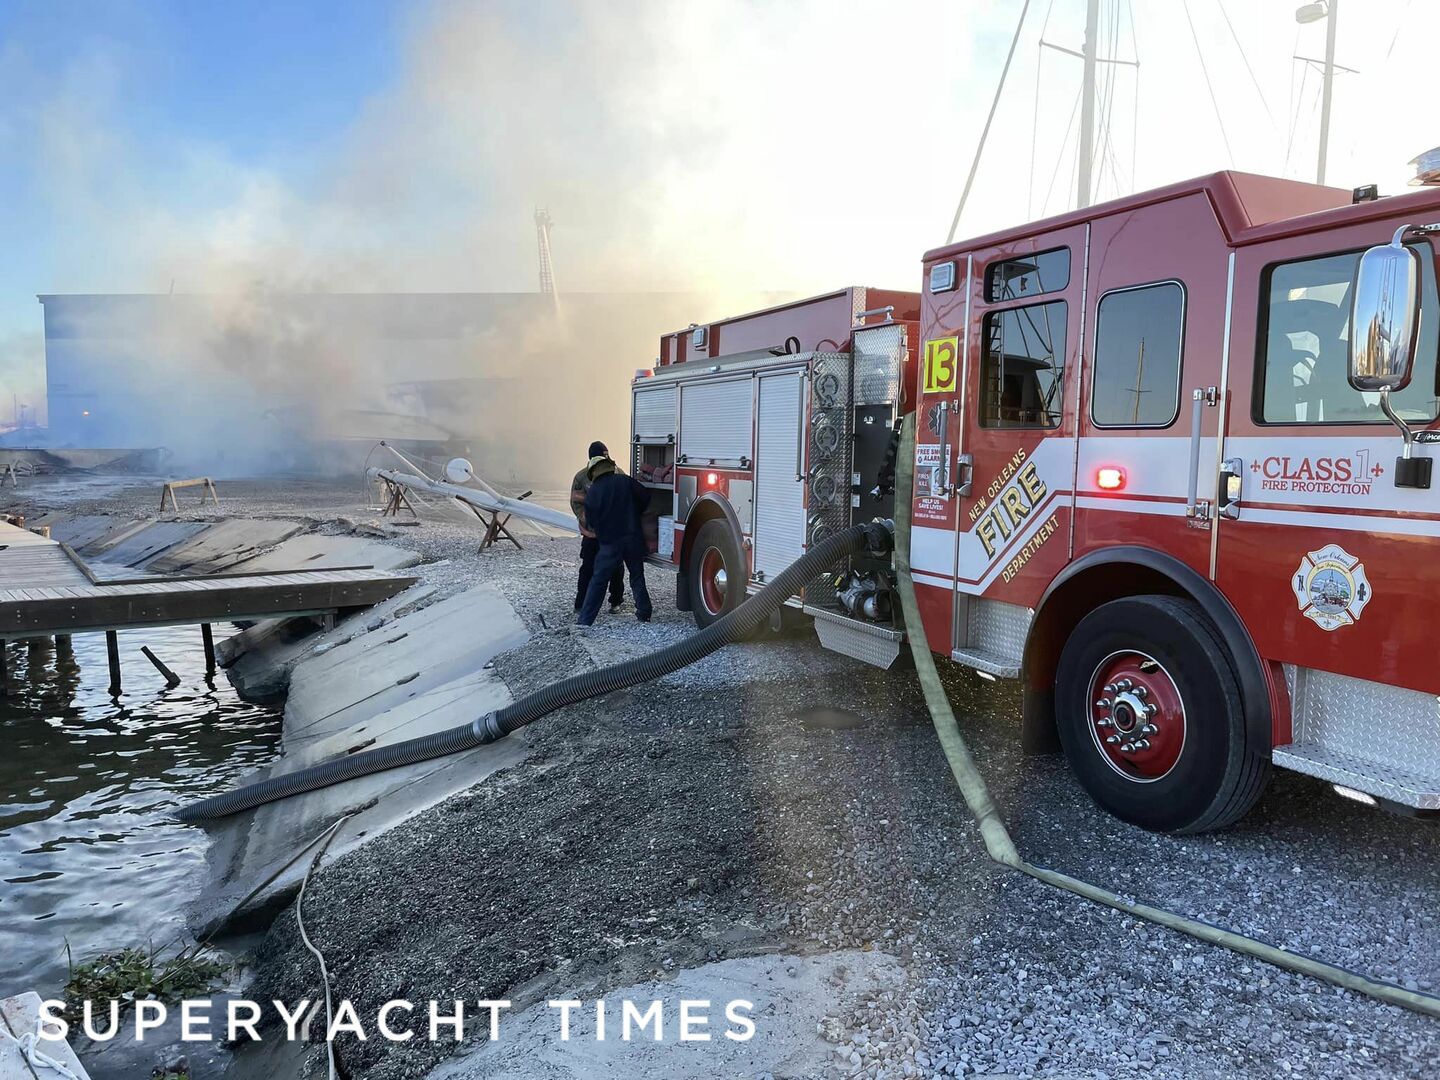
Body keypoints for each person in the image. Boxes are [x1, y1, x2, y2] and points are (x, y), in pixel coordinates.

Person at [576, 448, 653, 626]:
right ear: (610, 467)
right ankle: (644, 613)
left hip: (610, 543)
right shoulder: (625, 481)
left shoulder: (593, 493)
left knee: (599, 580)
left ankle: (585, 621)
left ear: (593, 473)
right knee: (636, 576)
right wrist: (634, 512)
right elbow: (645, 497)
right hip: (633, 538)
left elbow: (591, 522)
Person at [571, 440, 625, 614]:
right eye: (602, 455)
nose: (606, 458)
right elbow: (576, 503)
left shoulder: (618, 473)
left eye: (607, 455)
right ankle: (581, 604)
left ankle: (616, 602)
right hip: (592, 534)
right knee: (588, 568)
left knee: (616, 569)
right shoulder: (581, 477)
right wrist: (588, 521)